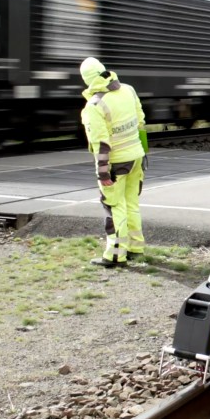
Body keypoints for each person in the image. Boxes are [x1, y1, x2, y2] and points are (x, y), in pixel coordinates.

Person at [79, 57, 147, 268]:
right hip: (136, 157)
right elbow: (141, 122)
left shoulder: (95, 105)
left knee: (114, 207)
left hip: (116, 163)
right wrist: (143, 152)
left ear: (87, 80)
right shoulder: (128, 90)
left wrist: (103, 173)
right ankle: (136, 247)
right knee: (131, 204)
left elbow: (101, 143)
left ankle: (116, 255)